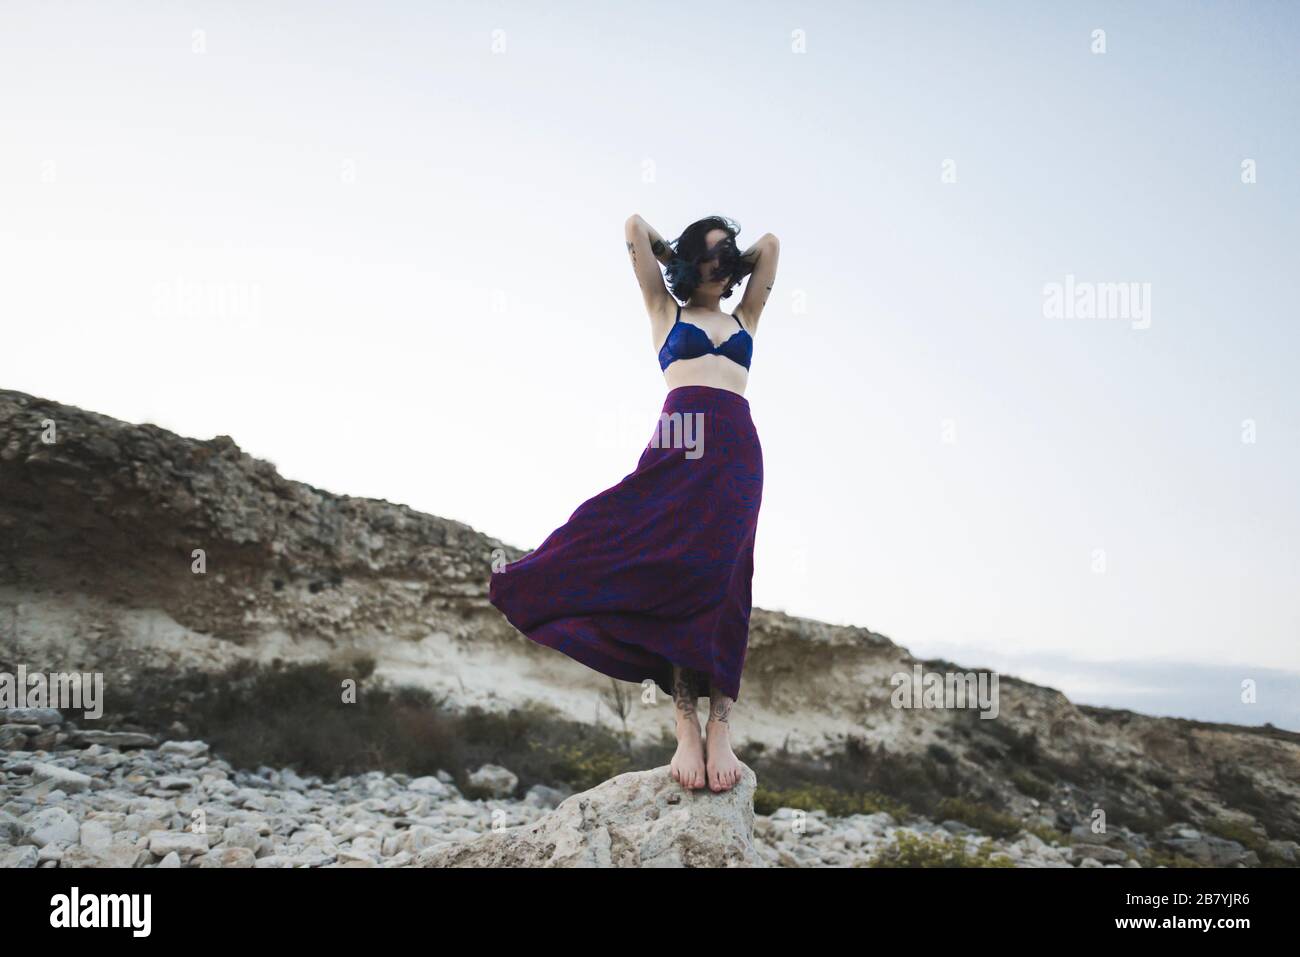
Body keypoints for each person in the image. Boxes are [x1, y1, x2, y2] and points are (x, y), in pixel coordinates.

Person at [489, 213, 780, 792]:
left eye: (728, 260)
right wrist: (683, 254)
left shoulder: (745, 316)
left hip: (736, 457)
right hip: (677, 449)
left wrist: (732, 261)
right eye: (711, 257)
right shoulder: (663, 310)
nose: (721, 268)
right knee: (665, 578)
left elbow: (771, 247)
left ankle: (721, 727)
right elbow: (634, 227)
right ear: (689, 261)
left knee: (725, 585)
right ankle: (685, 725)